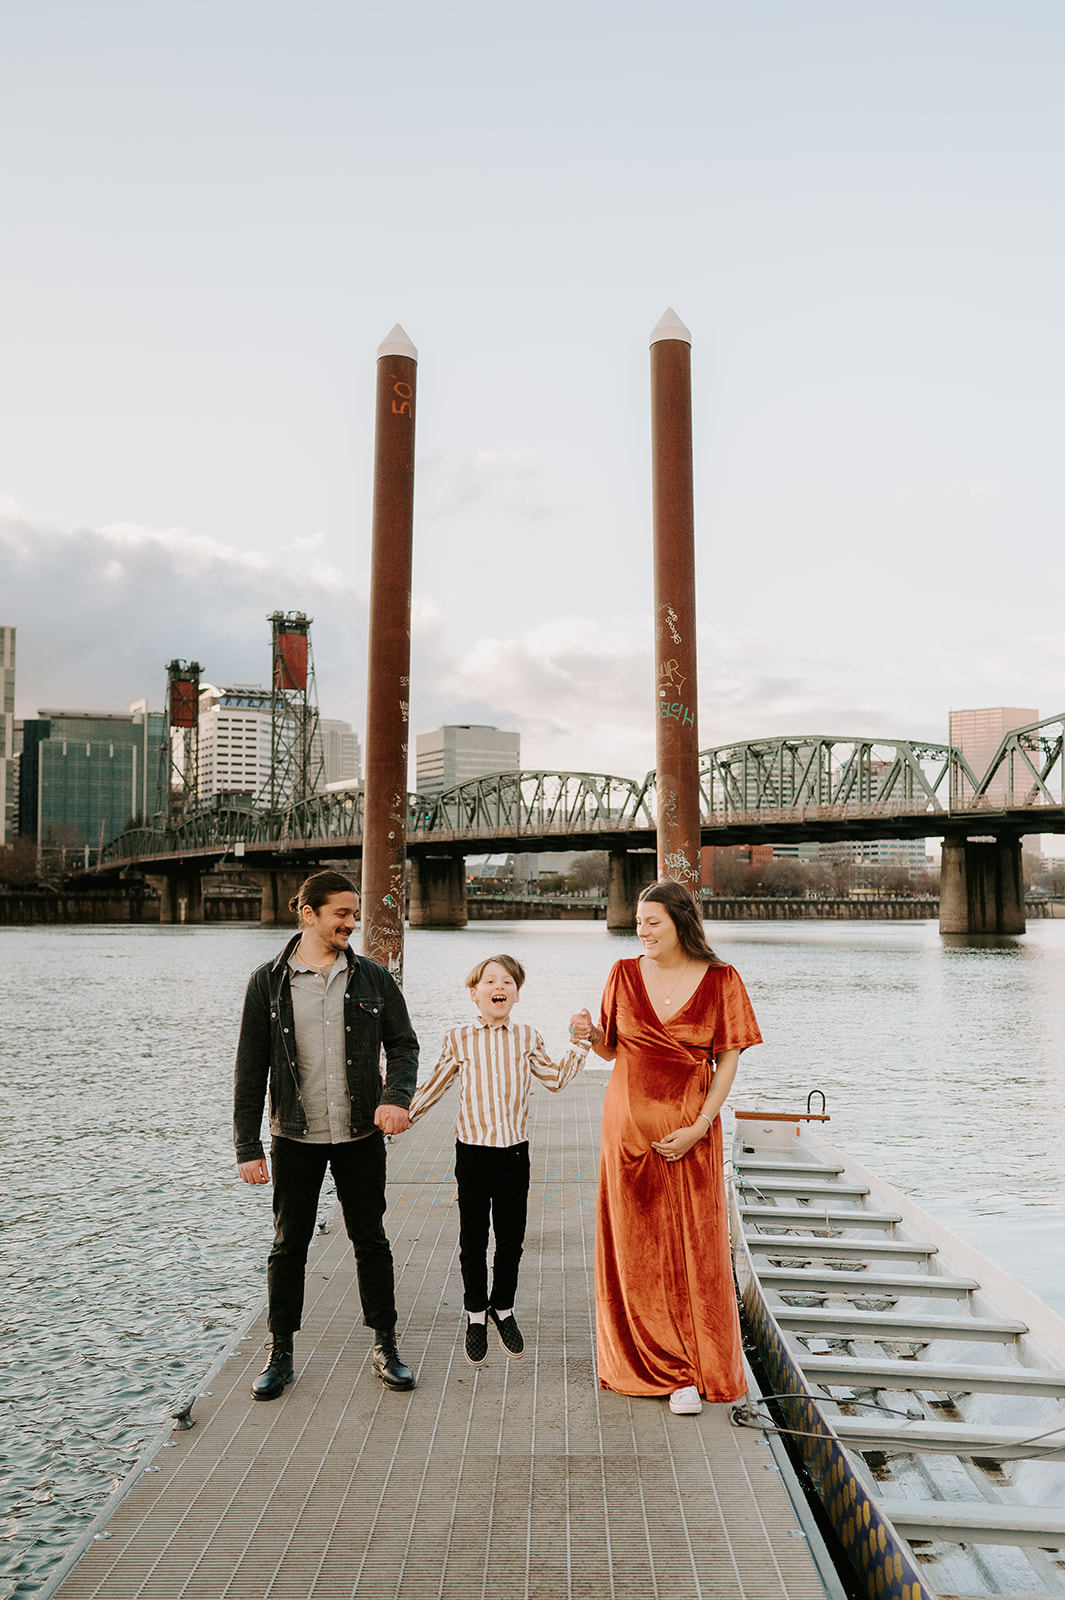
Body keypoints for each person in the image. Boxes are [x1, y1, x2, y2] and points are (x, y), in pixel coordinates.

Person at [570, 879, 761, 1416]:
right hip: (625, 1132)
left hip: (691, 1132)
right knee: (635, 1246)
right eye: (639, 921)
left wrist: (701, 1125)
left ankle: (694, 1365)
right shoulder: (623, 974)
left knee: (692, 1246)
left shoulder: (722, 980)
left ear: (681, 922)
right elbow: (611, 1050)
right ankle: (651, 1366)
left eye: (653, 921)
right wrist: (587, 1033)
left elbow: (728, 1062)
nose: (643, 930)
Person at [234, 869, 419, 1400]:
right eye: (341, 913)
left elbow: (404, 1046)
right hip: (295, 1134)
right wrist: (247, 1145)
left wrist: (395, 1097)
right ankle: (280, 1352)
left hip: (360, 1132)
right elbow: (250, 1069)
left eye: (354, 913)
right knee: (288, 1245)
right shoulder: (267, 982)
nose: (351, 923)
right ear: (308, 913)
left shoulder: (374, 979)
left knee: (371, 1240)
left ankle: (386, 1344)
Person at [408, 953, 590, 1367]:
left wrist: (580, 1044)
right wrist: (404, 1116)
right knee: (473, 1241)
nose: (499, 987)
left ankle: (502, 1308)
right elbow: (434, 1085)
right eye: (489, 981)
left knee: (510, 1240)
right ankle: (475, 1313)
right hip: (471, 1153)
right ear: (474, 993)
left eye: (507, 982)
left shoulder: (527, 1036)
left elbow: (555, 1079)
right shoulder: (459, 1039)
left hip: (513, 1154)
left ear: (517, 994)